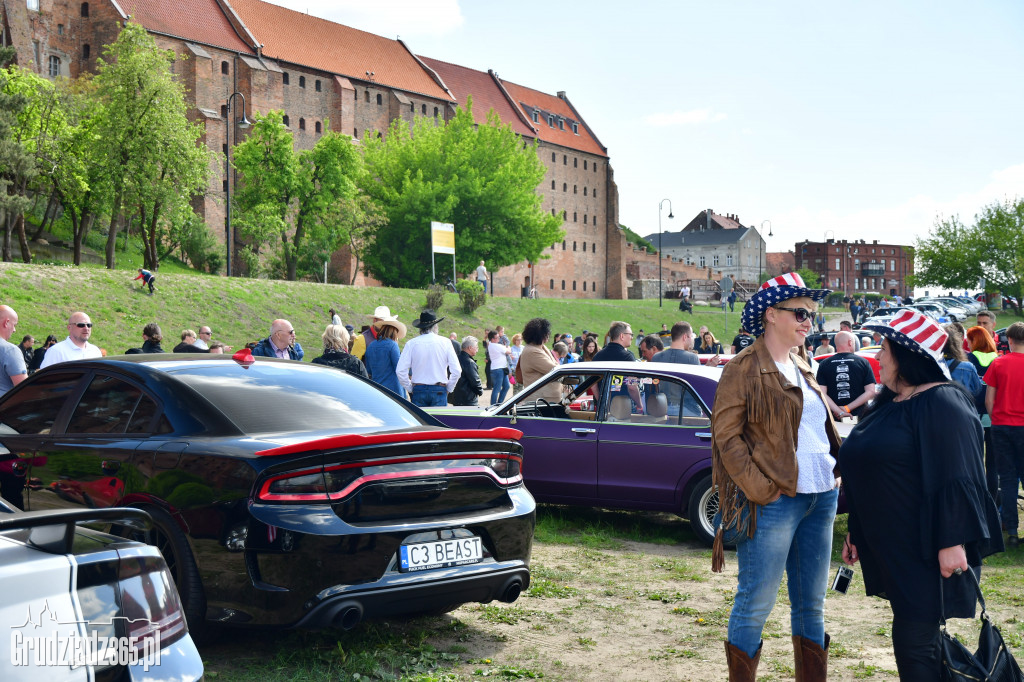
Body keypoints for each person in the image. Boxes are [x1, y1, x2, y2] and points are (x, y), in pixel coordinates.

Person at [840, 310, 1002, 679]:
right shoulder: (892, 401)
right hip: (894, 546)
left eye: (883, 348)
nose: (878, 356)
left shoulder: (943, 401)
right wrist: (858, 530)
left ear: (906, 355)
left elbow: (960, 475)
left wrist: (952, 541)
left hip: (927, 548)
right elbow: (874, 471)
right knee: (912, 643)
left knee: (916, 647)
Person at [711, 272, 840, 680]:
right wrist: (761, 490)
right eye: (801, 313)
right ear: (771, 314)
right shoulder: (742, 368)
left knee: (812, 605)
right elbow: (726, 437)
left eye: (812, 316)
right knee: (755, 603)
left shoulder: (803, 363)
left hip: (822, 497)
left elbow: (814, 430)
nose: (809, 323)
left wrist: (836, 475)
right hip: (775, 501)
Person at [984, 321, 1024, 549]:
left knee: (1007, 480)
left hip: (1002, 426)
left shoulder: (998, 364)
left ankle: (1011, 531)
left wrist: (998, 418)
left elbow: (989, 400)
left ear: (1009, 340)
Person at [395, 310, 461, 407]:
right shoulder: (445, 342)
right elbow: (457, 371)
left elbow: (400, 371)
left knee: (420, 421)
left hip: (419, 388)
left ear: (420, 328)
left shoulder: (412, 343)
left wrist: (410, 388)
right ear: (435, 326)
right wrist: (449, 388)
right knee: (438, 421)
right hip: (439, 388)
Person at [816, 331, 876, 419]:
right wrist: (846, 408)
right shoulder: (863, 362)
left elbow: (821, 393)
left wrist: (839, 411)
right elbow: (870, 392)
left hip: (834, 418)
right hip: (860, 417)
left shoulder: (824, 364)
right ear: (850, 342)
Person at [516, 318, 562, 401]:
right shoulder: (532, 351)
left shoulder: (540, 347)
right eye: (546, 332)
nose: (549, 334)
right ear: (540, 335)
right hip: (541, 401)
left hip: (547, 399)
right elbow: (554, 370)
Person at [363, 317, 407, 399]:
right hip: (393, 390)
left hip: (376, 388)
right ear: (394, 332)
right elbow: (399, 368)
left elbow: (368, 369)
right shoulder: (393, 345)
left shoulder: (371, 346)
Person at [0, 306, 27, 396]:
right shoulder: (10, 351)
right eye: (14, 325)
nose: (14, 330)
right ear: (6, 323)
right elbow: (24, 390)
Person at [450, 336, 484, 406]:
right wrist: (480, 391)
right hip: (468, 399)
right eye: (476, 347)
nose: (477, 350)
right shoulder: (469, 362)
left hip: (456, 398)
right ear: (470, 348)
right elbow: (475, 381)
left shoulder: (455, 359)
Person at [487, 329, 512, 405]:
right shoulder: (496, 346)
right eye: (497, 338)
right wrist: (508, 347)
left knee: (506, 386)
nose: (499, 339)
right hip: (498, 369)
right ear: (492, 339)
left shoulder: (491, 345)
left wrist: (505, 346)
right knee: (497, 389)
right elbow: (509, 351)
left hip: (500, 369)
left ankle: (499, 404)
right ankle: (493, 405)